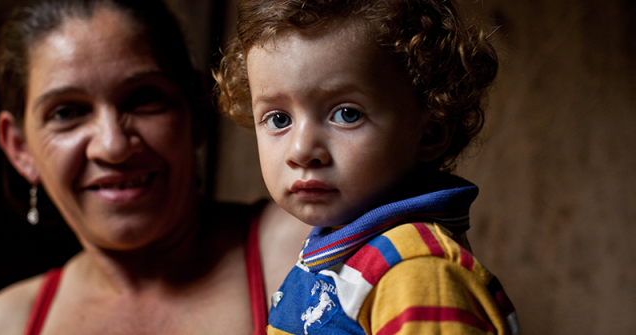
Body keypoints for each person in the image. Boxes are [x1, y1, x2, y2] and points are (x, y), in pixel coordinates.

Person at [0, 0, 311, 334]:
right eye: (67, 113)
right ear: (20, 148)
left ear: (195, 110)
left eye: (143, 98)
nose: (113, 146)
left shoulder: (306, 252)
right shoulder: (6, 323)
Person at [214, 0, 520, 334]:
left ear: (430, 133)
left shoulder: (415, 274)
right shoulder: (341, 252)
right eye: (279, 119)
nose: (302, 150)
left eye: (347, 114)